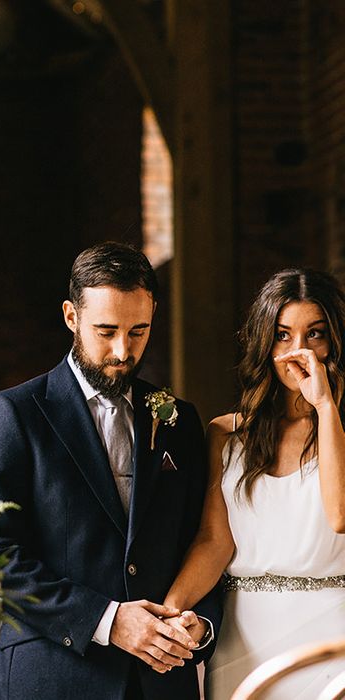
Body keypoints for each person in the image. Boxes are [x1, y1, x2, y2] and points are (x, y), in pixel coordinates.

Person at [0, 242, 222, 700]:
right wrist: (107, 620)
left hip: (161, 684)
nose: (123, 351)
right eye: (106, 331)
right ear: (71, 316)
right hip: (52, 678)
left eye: (138, 331)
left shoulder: (179, 421)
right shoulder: (15, 413)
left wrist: (200, 624)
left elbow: (202, 541)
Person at [163, 268, 345, 699]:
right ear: (265, 343)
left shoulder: (340, 429)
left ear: (334, 341)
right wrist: (170, 611)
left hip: (330, 638)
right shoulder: (225, 434)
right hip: (244, 639)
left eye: (314, 334)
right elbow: (214, 541)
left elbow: (339, 516)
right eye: (283, 335)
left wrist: (324, 406)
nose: (298, 350)